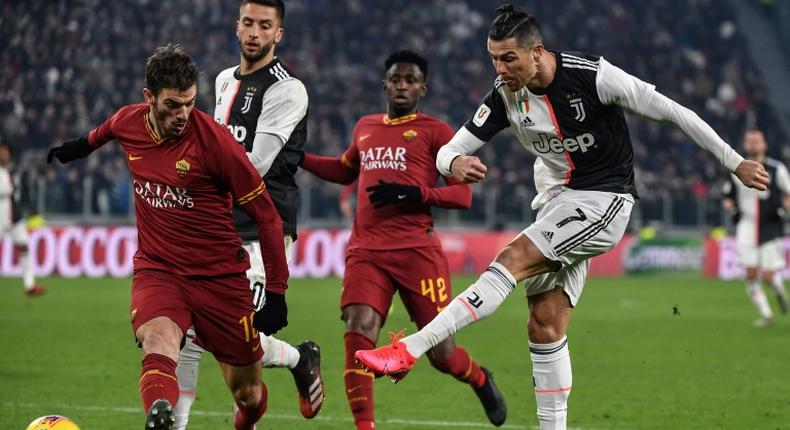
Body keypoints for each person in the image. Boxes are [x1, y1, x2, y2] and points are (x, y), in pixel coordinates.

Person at [355, 5, 769, 430]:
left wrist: (734, 162)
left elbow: (675, 112)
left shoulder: (595, 78)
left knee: (510, 260)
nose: (499, 69)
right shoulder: (504, 94)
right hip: (557, 203)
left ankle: (411, 347)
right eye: (493, 58)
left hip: (605, 200)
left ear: (537, 52)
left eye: (508, 58)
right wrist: (452, 165)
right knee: (544, 324)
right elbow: (448, 151)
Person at [46, 43, 290, 430]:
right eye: (173, 105)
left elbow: (268, 218)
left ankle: (253, 408)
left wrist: (276, 291)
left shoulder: (216, 144)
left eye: (190, 103)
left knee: (248, 392)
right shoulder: (130, 121)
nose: (183, 115)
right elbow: (106, 129)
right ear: (149, 98)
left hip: (219, 277)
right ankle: (160, 415)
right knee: (158, 340)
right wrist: (81, 146)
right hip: (159, 269)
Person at [300, 50, 507, 430]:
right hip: (366, 251)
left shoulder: (438, 132)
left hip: (417, 252)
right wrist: (298, 157)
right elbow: (345, 171)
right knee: (357, 328)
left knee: (443, 354)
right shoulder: (365, 127)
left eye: (410, 81)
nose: (402, 86)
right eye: (396, 79)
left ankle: (479, 377)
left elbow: (462, 195)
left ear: (422, 88)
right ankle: (365, 426)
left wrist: (415, 194)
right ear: (385, 84)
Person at [174, 1, 323, 426]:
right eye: (248, 23)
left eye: (265, 25)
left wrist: (194, 173)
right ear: (236, 26)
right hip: (218, 227)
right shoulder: (223, 80)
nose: (254, 32)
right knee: (190, 335)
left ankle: (299, 357)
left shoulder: (288, 89)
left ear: (279, 34)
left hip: (263, 231)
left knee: (236, 358)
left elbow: (253, 165)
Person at [723, 129, 790, 327]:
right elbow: (727, 197)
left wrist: (783, 209)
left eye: (756, 141)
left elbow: (788, 193)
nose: (753, 145)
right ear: (745, 145)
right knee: (751, 274)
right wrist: (731, 208)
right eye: (749, 141)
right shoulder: (736, 169)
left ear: (764, 145)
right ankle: (767, 315)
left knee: (769, 276)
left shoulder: (777, 169)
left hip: (769, 226)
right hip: (746, 225)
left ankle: (779, 292)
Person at [0, 142, 45, 297]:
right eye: (1, 151)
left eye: (5, 151)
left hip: (15, 215)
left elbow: (21, 191)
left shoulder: (13, 170)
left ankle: (30, 285)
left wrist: (31, 210)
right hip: (1, 214)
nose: (3, 154)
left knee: (24, 247)